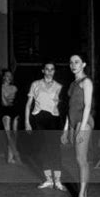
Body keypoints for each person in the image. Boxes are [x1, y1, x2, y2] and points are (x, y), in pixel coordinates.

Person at [61, 53, 94, 197]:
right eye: (71, 62)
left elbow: (87, 106)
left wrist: (81, 128)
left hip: (84, 122)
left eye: (77, 62)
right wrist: (66, 129)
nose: (73, 65)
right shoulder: (73, 84)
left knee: (82, 159)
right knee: (77, 159)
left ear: (83, 64)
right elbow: (70, 109)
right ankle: (83, 193)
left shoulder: (86, 82)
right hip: (74, 123)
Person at [25, 62, 65, 190]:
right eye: (47, 69)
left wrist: (65, 128)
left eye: (52, 69)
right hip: (39, 118)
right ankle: (48, 180)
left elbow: (62, 107)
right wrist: (27, 122)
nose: (49, 71)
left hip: (53, 119)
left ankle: (57, 181)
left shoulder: (59, 86)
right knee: (43, 149)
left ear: (54, 71)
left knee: (55, 149)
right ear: (43, 70)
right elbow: (28, 104)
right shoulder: (35, 84)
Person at [0, 69, 21, 164]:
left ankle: (10, 157)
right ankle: (15, 155)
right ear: (3, 77)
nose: (8, 77)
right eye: (7, 75)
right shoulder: (1, 87)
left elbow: (16, 100)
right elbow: (4, 103)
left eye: (10, 76)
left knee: (15, 135)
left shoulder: (14, 87)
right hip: (5, 111)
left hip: (14, 110)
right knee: (8, 135)